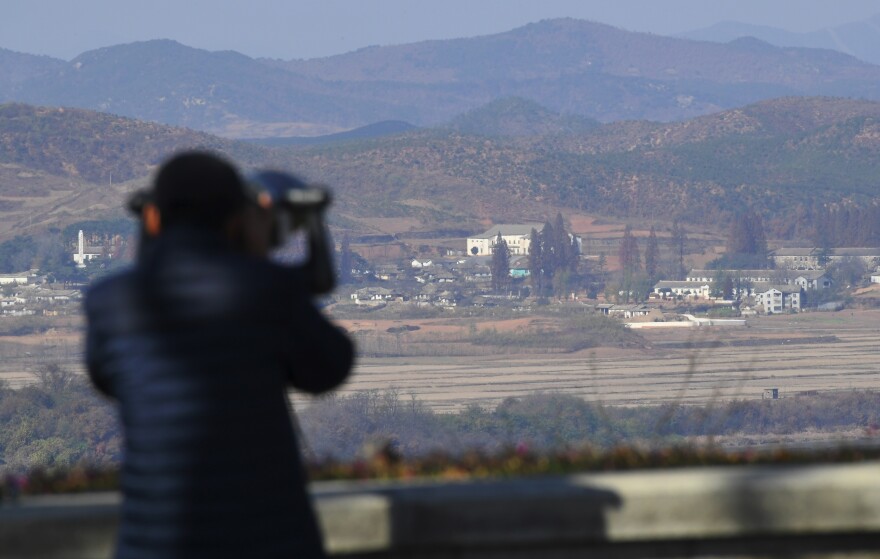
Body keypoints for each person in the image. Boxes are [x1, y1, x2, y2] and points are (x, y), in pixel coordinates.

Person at [85, 151, 354, 558]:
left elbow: (110, 381)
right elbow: (329, 369)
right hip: (270, 543)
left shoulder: (109, 303)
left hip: (155, 546)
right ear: (236, 219)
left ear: (154, 219)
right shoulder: (267, 291)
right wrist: (265, 264)